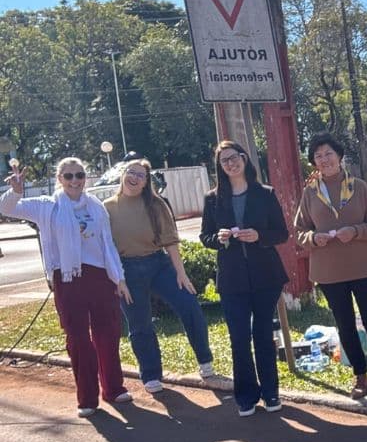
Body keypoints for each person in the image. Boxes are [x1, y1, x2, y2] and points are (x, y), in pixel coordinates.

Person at [1, 158, 133, 417]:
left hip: (100, 277)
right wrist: (16, 191)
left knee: (108, 334)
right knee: (78, 339)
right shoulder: (46, 206)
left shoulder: (96, 206)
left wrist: (119, 278)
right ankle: (87, 398)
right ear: (59, 179)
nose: (75, 181)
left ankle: (113, 388)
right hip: (69, 278)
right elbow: (6, 208)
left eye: (80, 175)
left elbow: (108, 244)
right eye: (69, 176)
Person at [293, 133, 367, 405]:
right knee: (344, 325)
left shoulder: (359, 187)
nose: (324, 159)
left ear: (339, 156)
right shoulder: (310, 193)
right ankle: (360, 376)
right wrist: (312, 238)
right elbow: (299, 231)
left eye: (328, 153)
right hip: (329, 273)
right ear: (314, 162)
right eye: (318, 156)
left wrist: (354, 231)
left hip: (363, 268)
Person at [104, 158, 216, 394]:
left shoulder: (156, 205)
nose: (134, 178)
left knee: (189, 305)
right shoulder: (107, 207)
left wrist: (181, 274)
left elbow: (171, 242)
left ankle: (205, 362)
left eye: (140, 175)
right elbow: (106, 247)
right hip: (127, 270)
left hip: (158, 264)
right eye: (130, 173)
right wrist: (118, 279)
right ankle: (151, 374)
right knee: (140, 324)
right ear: (122, 175)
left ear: (146, 182)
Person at [200, 141, 289, 417]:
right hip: (232, 280)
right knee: (238, 338)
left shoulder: (265, 194)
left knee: (263, 335)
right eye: (224, 160)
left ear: (244, 158)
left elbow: (281, 233)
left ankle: (271, 391)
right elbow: (206, 237)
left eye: (234, 157)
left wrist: (259, 235)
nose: (230, 163)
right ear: (220, 167)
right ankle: (246, 395)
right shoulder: (212, 199)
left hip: (265, 276)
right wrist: (221, 238)